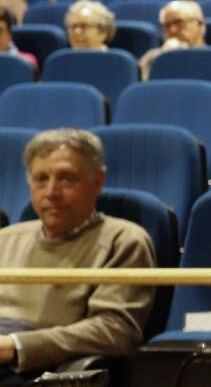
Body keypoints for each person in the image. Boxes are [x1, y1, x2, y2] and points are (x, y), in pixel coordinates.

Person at [0, 129, 155, 374]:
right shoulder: (6, 239)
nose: (51, 192)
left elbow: (115, 330)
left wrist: (17, 346)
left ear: (98, 181)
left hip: (40, 373)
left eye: (66, 178)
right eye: (41, 179)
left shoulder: (123, 240)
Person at [140, 0, 207, 77]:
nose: (172, 30)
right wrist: (165, 58)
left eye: (179, 22)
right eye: (167, 25)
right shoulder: (152, 58)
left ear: (200, 24)